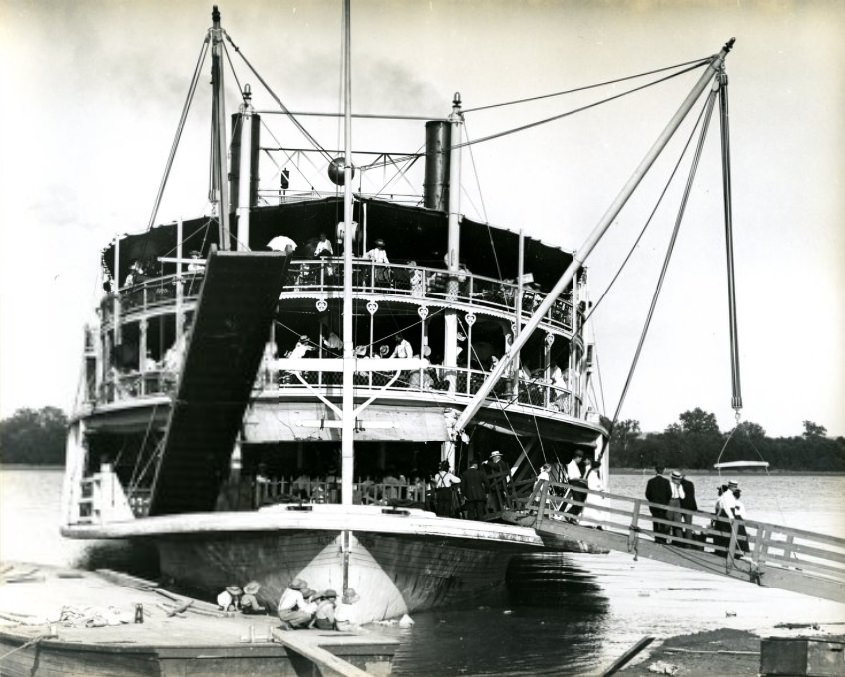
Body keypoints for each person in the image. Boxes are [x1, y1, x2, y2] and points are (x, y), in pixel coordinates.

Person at [645, 465, 672, 544]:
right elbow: (669, 494)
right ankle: (662, 539)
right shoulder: (666, 482)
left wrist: (652, 500)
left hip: (653, 506)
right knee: (663, 522)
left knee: (655, 522)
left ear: (655, 471)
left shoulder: (650, 481)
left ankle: (657, 539)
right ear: (663, 470)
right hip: (664, 506)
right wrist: (666, 502)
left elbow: (647, 494)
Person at [579, 459, 606, 527]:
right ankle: (587, 523)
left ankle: (597, 523)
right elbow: (590, 486)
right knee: (591, 509)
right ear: (595, 467)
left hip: (596, 495)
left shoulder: (596, 474)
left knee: (597, 509)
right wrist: (599, 489)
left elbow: (599, 483)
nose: (598, 469)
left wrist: (601, 489)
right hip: (592, 495)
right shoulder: (591, 474)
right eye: (598, 467)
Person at [562, 450, 587, 520]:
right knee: (578, 503)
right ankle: (568, 515)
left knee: (581, 503)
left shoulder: (575, 465)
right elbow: (571, 477)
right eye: (580, 458)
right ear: (577, 457)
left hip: (579, 485)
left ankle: (571, 517)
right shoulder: (571, 465)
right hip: (575, 485)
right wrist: (583, 480)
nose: (580, 460)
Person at [666, 471, 686, 544]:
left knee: (678, 521)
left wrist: (678, 488)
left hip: (677, 502)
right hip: (670, 501)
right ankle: (666, 539)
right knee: (668, 521)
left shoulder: (680, 486)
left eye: (678, 479)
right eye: (675, 479)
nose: (677, 480)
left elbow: (683, 497)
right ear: (672, 478)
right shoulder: (668, 484)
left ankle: (679, 541)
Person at [679, 471, 698, 546]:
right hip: (689, 506)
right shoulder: (690, 483)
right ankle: (688, 543)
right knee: (688, 526)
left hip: (681, 506)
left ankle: (679, 541)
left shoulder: (679, 484)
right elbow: (692, 495)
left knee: (677, 524)